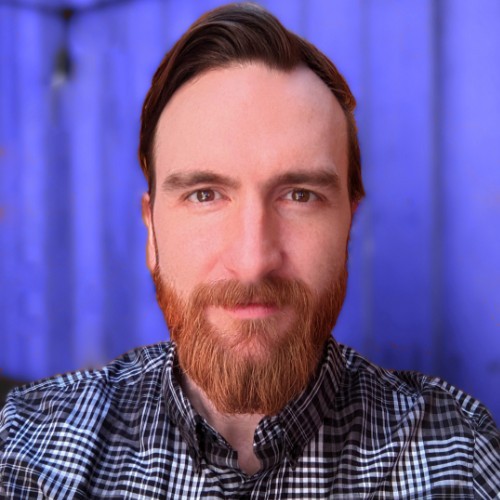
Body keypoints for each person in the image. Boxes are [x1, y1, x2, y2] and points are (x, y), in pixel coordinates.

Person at [1, 3, 499, 498]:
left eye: (300, 195)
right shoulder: (32, 451)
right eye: (205, 195)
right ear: (151, 231)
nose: (253, 261)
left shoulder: (453, 460)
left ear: (349, 223)